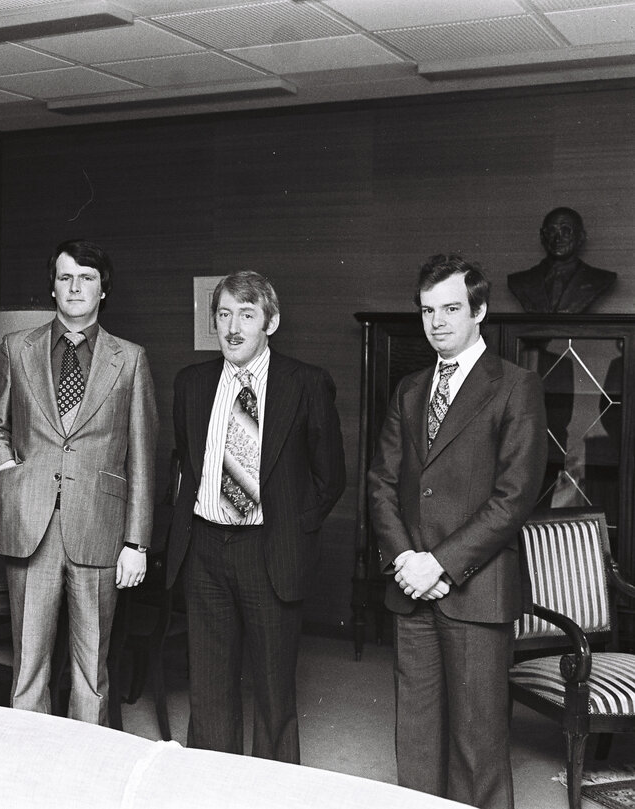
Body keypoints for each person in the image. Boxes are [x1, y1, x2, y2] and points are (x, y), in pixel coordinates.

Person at [368, 254, 547, 809]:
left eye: (450, 308)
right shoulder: (409, 389)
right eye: (427, 310)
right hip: (412, 588)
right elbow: (381, 484)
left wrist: (436, 565)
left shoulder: (516, 386)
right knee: (417, 741)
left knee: (478, 745)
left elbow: (513, 499)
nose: (437, 321)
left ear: (480, 312)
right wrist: (405, 562)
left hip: (474, 590)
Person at [165, 270, 345, 763]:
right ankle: (211, 788)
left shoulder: (305, 383)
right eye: (224, 315)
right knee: (209, 689)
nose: (233, 328)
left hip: (269, 549)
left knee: (272, 692)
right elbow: (188, 461)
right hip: (204, 549)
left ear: (272, 321)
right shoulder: (192, 384)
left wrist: (292, 528)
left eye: (246, 314)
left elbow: (331, 477)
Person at [0, 239, 156, 725]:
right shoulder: (18, 348)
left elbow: (141, 454)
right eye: (65, 277)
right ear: (52, 288)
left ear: (104, 290)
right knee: (27, 667)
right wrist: (8, 471)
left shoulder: (131, 359)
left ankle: (85, 777)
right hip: (30, 523)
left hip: (99, 528)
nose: (75, 287)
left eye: (87, 278)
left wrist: (136, 541)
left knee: (90, 670)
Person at [507, 207, 616, 313]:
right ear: (542, 237)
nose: (557, 239)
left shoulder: (599, 279)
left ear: (581, 237)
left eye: (566, 231)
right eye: (551, 231)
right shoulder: (520, 281)